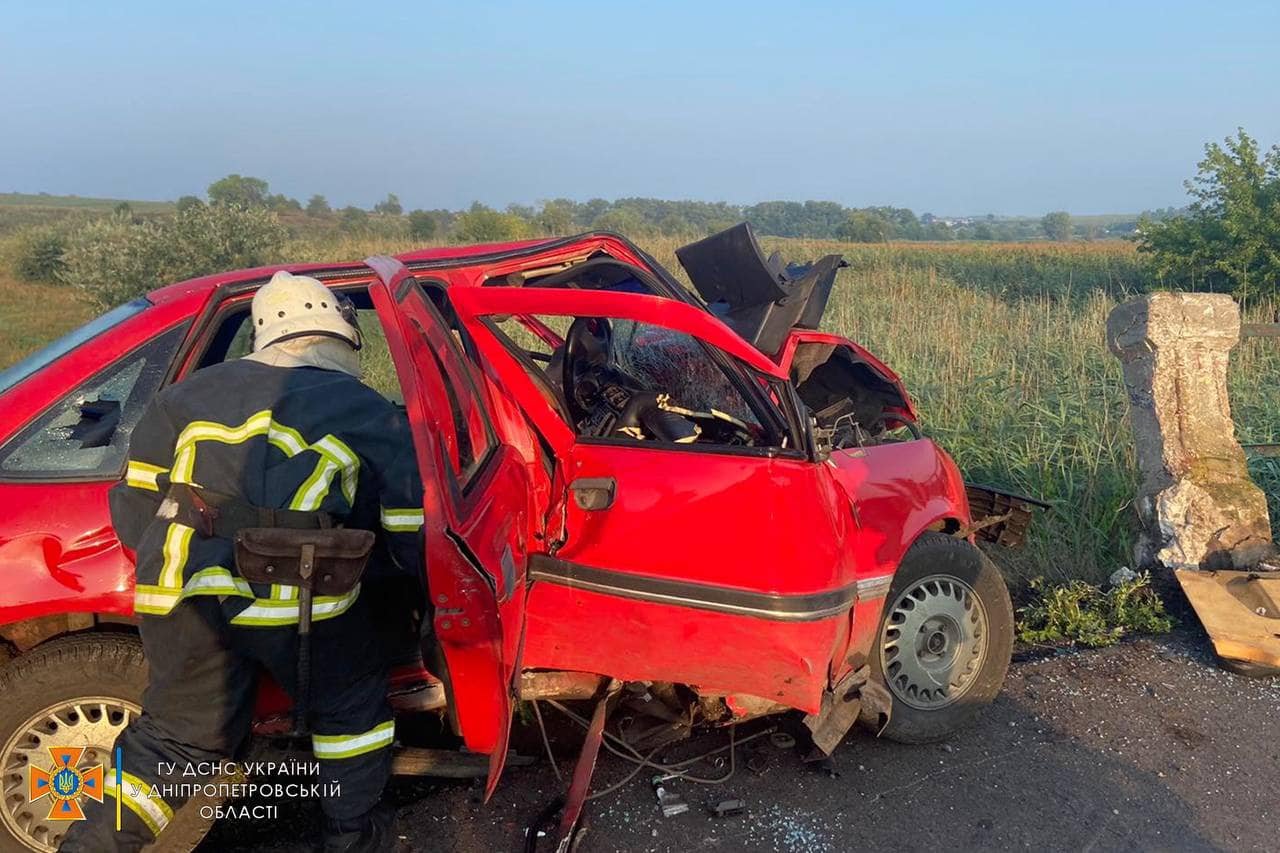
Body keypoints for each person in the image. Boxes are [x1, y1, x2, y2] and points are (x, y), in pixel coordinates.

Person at [61, 271, 425, 852]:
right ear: (340, 336)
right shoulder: (369, 410)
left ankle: (96, 845)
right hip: (310, 604)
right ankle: (351, 836)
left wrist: (191, 564)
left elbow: (135, 509)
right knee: (349, 716)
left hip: (183, 596)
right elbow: (410, 528)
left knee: (180, 739)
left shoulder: (179, 400)